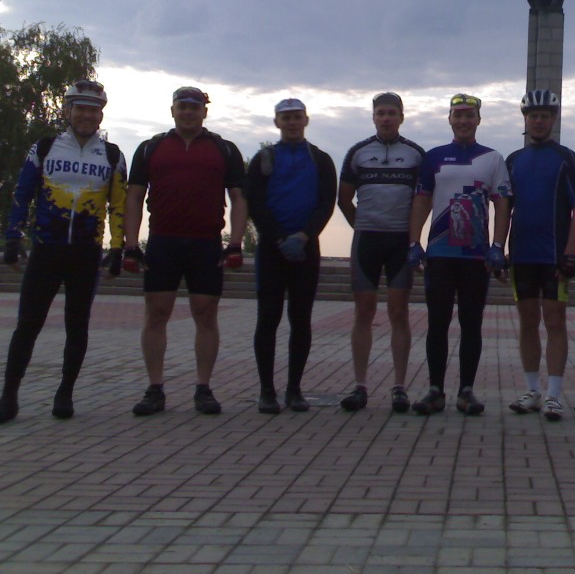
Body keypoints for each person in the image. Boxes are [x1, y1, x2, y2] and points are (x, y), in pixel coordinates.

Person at [0, 81, 126, 423]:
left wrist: (117, 248)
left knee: (77, 325)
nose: (86, 115)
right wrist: (12, 238)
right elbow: (22, 193)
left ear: (101, 115)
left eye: (93, 110)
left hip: (86, 253)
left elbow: (118, 205)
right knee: (28, 324)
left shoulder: (112, 155)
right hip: (46, 249)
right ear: (67, 110)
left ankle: (65, 393)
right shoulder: (44, 148)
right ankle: (9, 395)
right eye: (80, 108)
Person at [123, 86, 248, 416]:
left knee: (205, 314)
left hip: (206, 243)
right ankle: (155, 388)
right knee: (156, 313)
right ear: (173, 110)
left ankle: (203, 388)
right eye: (183, 106)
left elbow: (239, 198)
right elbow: (134, 197)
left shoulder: (224, 149)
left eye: (195, 107)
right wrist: (131, 245)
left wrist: (235, 243)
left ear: (204, 112)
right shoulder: (150, 148)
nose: (189, 112)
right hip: (163, 241)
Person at [406, 93, 511, 416]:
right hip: (440, 253)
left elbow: (502, 202)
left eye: (469, 115)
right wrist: (414, 242)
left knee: (471, 323)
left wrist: (498, 245)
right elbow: (422, 200)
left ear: (478, 120)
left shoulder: (492, 158)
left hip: (475, 256)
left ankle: (466, 390)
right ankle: (435, 390)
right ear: (449, 119)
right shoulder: (434, 157)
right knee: (437, 322)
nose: (464, 121)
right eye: (458, 115)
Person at [246, 98, 337, 414]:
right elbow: (255, 203)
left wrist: (304, 236)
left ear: (306, 120)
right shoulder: (264, 159)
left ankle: (294, 390)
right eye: (286, 118)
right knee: (267, 319)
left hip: (306, 248)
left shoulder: (321, 159)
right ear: (277, 123)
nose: (292, 122)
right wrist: (279, 238)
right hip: (272, 250)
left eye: (297, 117)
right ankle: (266, 392)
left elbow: (326, 203)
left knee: (301, 319)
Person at [337, 92, 424, 413]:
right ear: (373, 117)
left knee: (399, 313)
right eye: (381, 113)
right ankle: (360, 385)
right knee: (364, 312)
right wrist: (360, 225)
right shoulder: (358, 152)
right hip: (367, 241)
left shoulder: (415, 154)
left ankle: (399, 387)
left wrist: (414, 238)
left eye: (392, 113)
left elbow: (424, 199)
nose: (386, 118)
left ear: (401, 117)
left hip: (400, 241)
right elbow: (343, 198)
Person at [505, 90, 575, 422]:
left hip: (554, 256)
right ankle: (532, 391)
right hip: (522, 255)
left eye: (544, 116)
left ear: (553, 119)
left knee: (555, 322)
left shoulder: (566, 157)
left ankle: (554, 394)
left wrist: (570, 253)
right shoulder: (513, 160)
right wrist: (500, 249)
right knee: (527, 322)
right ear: (525, 119)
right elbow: (504, 208)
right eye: (533, 115)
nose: (538, 121)